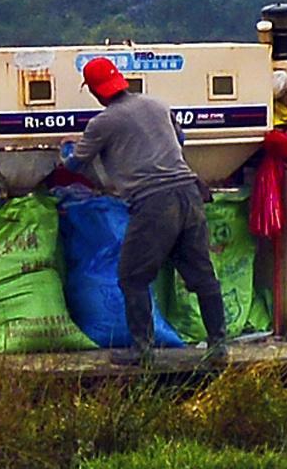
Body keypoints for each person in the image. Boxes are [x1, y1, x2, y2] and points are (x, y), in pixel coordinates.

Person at [69, 54, 230, 360]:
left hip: (155, 203)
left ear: (93, 90)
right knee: (201, 275)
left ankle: (142, 352)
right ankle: (218, 346)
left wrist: (63, 153)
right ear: (121, 80)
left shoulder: (102, 123)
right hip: (190, 193)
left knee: (133, 276)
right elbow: (179, 140)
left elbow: (77, 163)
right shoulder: (158, 104)